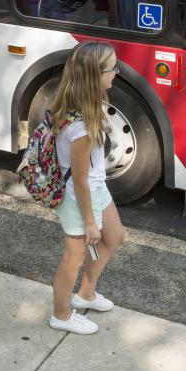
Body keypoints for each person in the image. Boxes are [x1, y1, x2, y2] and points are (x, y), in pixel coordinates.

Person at [48, 41, 125, 335]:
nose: (115, 73)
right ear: (94, 75)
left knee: (115, 236)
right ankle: (61, 314)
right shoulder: (82, 126)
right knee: (74, 256)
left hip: (95, 187)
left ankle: (86, 294)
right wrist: (90, 222)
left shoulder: (88, 106)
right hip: (79, 196)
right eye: (111, 69)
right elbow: (78, 179)